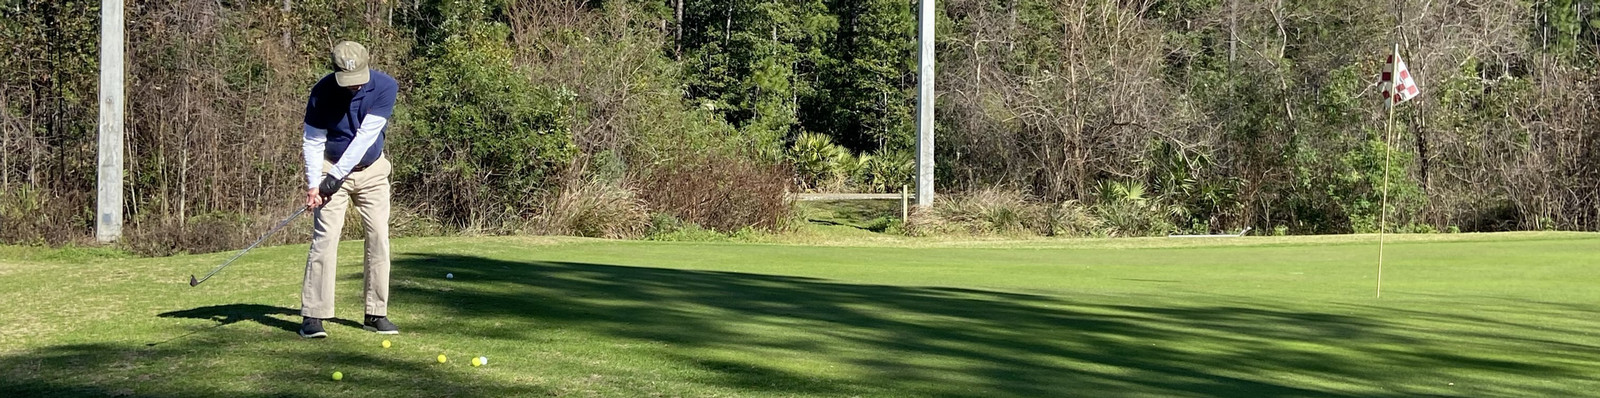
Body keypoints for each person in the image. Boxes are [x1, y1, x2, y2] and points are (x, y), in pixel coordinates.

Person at [297, 41, 400, 338]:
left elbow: (366, 138)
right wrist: (315, 183)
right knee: (326, 238)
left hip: (372, 171)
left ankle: (375, 312)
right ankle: (314, 316)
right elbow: (313, 141)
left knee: (379, 237)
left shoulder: (385, 87)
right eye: (347, 82)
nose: (353, 87)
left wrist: (337, 177)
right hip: (330, 166)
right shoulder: (322, 92)